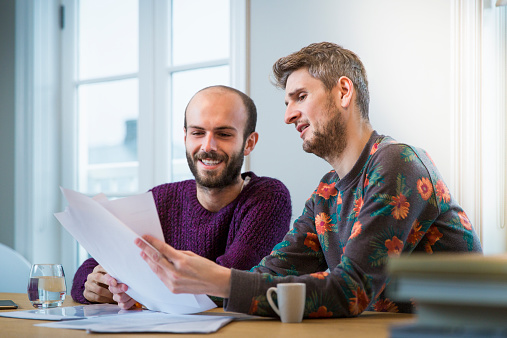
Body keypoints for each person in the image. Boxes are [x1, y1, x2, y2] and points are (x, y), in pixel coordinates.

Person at [122, 42, 483, 317]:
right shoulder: (327, 191)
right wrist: (166, 284)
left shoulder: (396, 162)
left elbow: (350, 289)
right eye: (286, 103)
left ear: (343, 92)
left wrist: (217, 279)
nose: (289, 115)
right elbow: (270, 272)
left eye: (300, 97)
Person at [71, 85, 292, 305]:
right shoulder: (161, 199)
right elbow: (93, 267)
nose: (208, 146)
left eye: (223, 134)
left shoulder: (269, 197)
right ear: (185, 137)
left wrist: (140, 289)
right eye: (197, 133)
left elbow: (228, 278)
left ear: (249, 143)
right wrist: (98, 286)